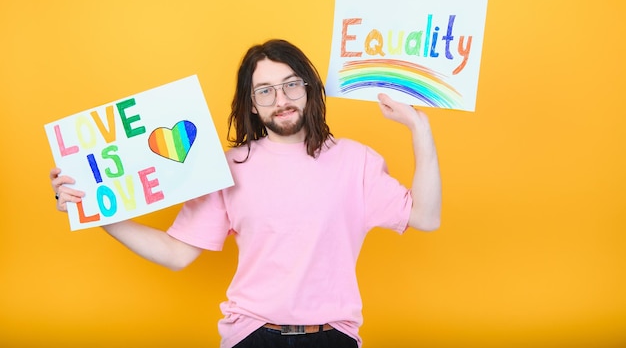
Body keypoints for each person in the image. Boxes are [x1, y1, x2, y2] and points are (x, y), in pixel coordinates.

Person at [50, 39, 442, 348]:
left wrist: (419, 129)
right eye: (265, 91)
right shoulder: (225, 168)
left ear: (309, 89)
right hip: (250, 335)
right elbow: (175, 253)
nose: (282, 100)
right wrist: (100, 213)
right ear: (252, 104)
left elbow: (425, 217)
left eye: (291, 85)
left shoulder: (357, 162)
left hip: (333, 336)